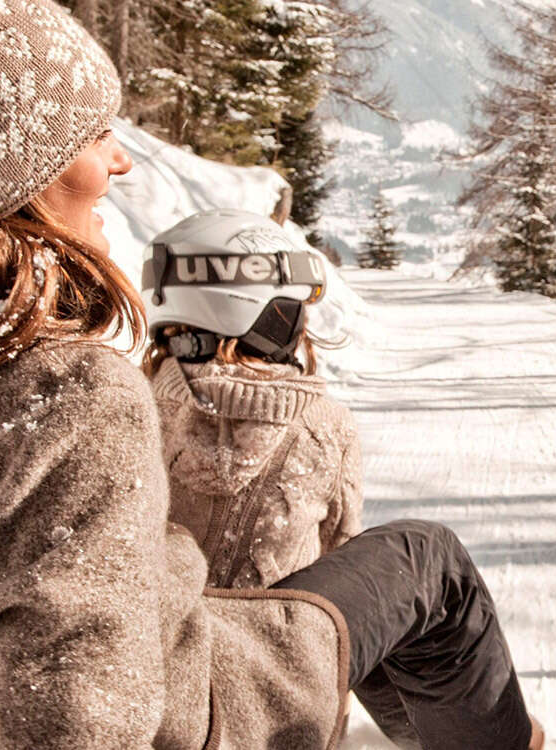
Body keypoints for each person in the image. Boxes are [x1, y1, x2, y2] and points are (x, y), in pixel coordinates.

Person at [0, 2, 539, 748]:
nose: (118, 159)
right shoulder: (69, 394)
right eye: (91, 135)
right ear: (16, 173)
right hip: (197, 699)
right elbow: (79, 725)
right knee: (428, 568)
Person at [140, 209, 419, 747]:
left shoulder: (129, 409)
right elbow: (344, 569)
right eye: (290, 308)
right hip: (278, 710)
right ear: (265, 315)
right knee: (417, 559)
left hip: (158, 697)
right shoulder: (322, 424)